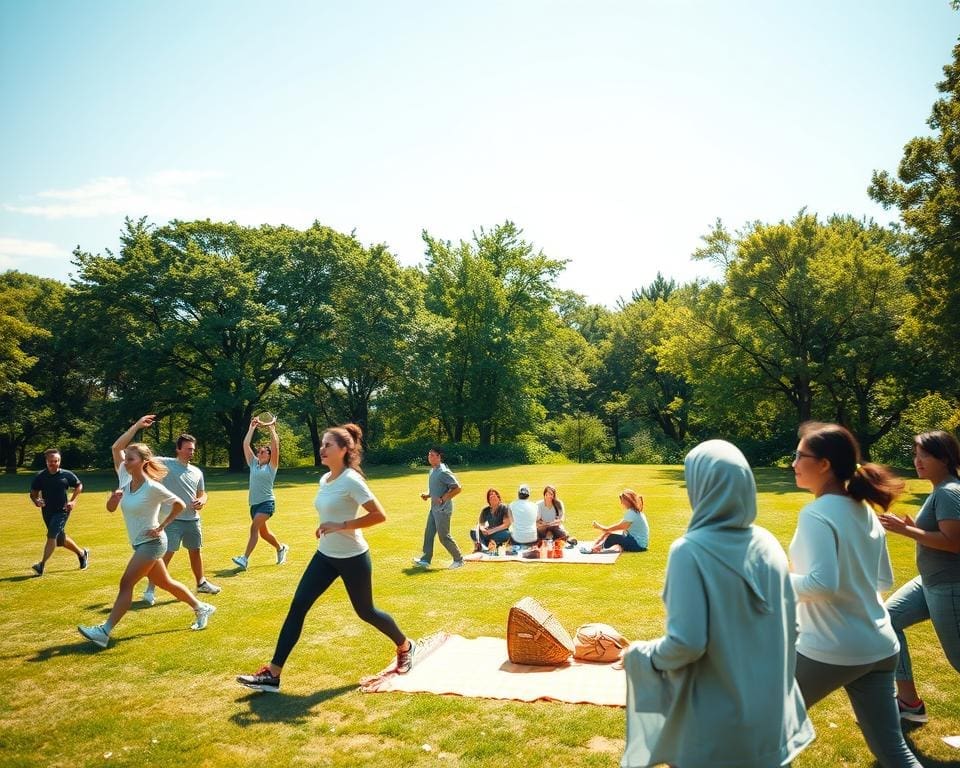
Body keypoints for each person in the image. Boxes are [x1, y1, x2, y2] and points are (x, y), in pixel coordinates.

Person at [622, 440, 814, 768]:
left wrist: (640, 655)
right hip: (771, 720)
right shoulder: (767, 542)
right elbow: (791, 625)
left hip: (718, 729)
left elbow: (687, 643)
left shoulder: (689, 551)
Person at [237, 423, 416, 693]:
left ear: (344, 450)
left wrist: (341, 525)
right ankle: (273, 674)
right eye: (321, 444)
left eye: (327, 445)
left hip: (353, 557)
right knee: (298, 605)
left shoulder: (351, 480)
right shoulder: (325, 479)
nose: (322, 449)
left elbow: (379, 515)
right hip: (325, 555)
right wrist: (325, 525)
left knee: (366, 611)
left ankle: (405, 645)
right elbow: (328, 513)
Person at [789, 421, 921, 768]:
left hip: (832, 650)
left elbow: (821, 584)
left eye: (800, 456)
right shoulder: (863, 509)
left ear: (824, 464)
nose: (793, 463)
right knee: (893, 751)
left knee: (761, 735)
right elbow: (882, 580)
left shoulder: (817, 513)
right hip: (880, 647)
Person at [77, 415, 215, 648]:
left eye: (130, 459)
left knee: (126, 583)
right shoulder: (124, 477)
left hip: (152, 543)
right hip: (138, 542)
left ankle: (104, 631)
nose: (125, 461)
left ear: (141, 462)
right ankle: (202, 608)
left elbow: (179, 504)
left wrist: (162, 526)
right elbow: (115, 452)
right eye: (126, 459)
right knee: (166, 582)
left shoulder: (152, 486)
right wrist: (137, 426)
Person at [880, 430, 960, 724]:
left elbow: (954, 542)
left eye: (924, 455)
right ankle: (910, 703)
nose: (917, 461)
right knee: (888, 620)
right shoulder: (940, 489)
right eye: (916, 455)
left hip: (950, 586)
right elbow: (941, 533)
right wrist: (915, 527)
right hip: (929, 582)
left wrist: (906, 531)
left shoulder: (949, 491)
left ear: (944, 457)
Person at [142, 432, 219, 605]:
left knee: (195, 551)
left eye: (193, 449)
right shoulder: (165, 463)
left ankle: (201, 583)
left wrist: (202, 500)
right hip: (172, 520)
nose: (191, 452)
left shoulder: (196, 471)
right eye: (187, 449)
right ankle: (150, 589)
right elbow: (145, 457)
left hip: (192, 519)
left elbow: (202, 493)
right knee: (166, 554)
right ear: (178, 449)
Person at [232, 416, 288, 571]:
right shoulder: (253, 464)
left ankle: (244, 559)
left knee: (253, 528)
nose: (261, 453)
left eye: (264, 451)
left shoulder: (272, 466)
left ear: (270, 456)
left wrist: (271, 427)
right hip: (254, 505)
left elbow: (275, 446)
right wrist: (252, 427)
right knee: (263, 533)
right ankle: (280, 548)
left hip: (267, 503)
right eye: (260, 451)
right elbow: (245, 444)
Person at [29, 448, 88, 575]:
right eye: (51, 461)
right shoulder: (40, 476)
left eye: (56, 461)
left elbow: (79, 485)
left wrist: (73, 501)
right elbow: (33, 493)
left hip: (62, 511)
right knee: (60, 540)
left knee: (51, 536)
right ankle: (82, 553)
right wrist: (36, 501)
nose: (54, 463)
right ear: (46, 462)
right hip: (47, 512)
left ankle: (41, 565)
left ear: (59, 461)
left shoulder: (66, 475)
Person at [411, 447, 464, 569]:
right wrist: (428, 494)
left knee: (444, 537)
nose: (430, 457)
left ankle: (459, 559)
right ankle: (425, 560)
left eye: (433, 455)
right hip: (434, 509)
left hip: (443, 510)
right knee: (429, 534)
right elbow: (436, 488)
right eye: (429, 455)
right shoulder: (433, 471)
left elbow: (457, 488)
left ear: (439, 457)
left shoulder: (443, 471)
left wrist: (444, 498)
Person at [584, 489, 648, 553]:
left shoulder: (632, 513)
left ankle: (596, 549)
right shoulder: (634, 512)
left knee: (612, 537)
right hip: (638, 543)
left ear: (627, 501)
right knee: (611, 533)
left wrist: (602, 528)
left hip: (638, 545)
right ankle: (596, 546)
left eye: (622, 501)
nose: (621, 503)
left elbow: (620, 527)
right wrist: (606, 532)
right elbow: (618, 528)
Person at [508, 483, 539, 547]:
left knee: (511, 530)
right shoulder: (535, 506)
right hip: (532, 538)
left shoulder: (512, 505)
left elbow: (511, 521)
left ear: (518, 494)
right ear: (528, 495)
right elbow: (536, 519)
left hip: (517, 539)